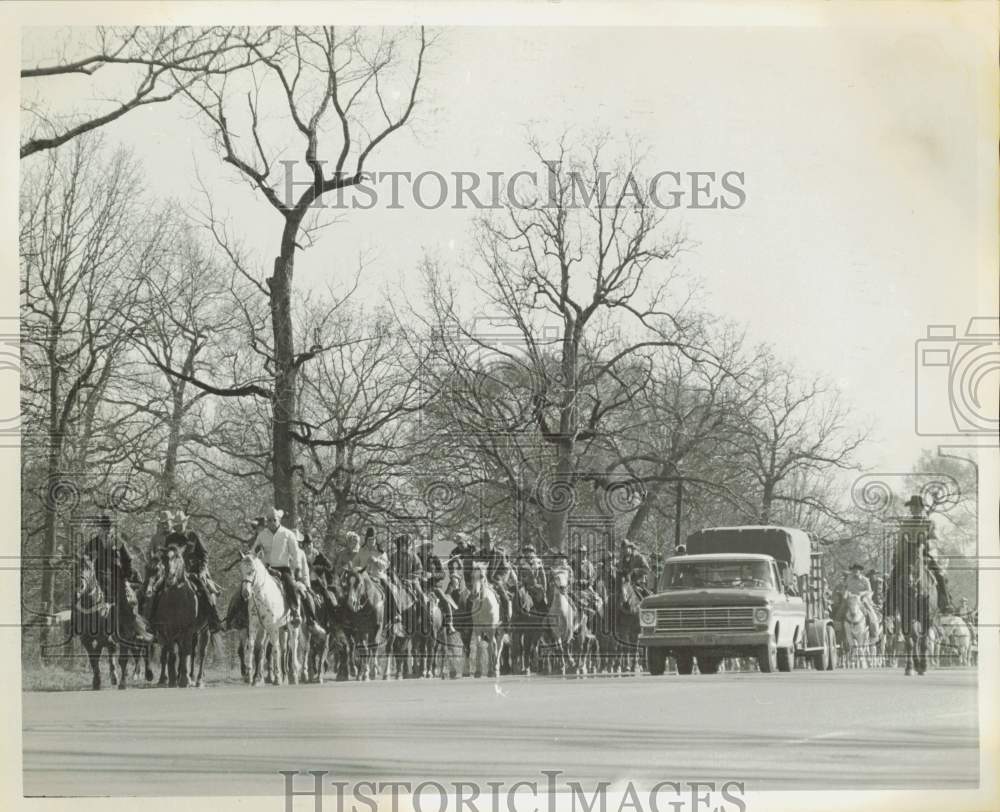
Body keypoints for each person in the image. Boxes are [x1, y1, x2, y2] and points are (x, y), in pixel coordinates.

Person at [85, 514, 154, 644]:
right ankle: (79, 622)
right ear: (99, 528)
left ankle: (134, 629)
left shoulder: (118, 542)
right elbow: (85, 559)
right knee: (82, 594)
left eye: (108, 527)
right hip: (97, 578)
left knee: (127, 602)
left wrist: (125, 575)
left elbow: (127, 559)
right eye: (103, 527)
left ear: (111, 529)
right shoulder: (93, 543)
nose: (105, 530)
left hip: (116, 578)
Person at [254, 508, 302, 625]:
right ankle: (239, 615)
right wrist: (251, 555)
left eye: (274, 520)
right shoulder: (262, 535)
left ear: (279, 520)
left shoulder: (288, 534)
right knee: (248, 585)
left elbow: (295, 553)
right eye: (269, 520)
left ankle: (295, 612)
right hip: (265, 570)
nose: (271, 522)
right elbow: (253, 552)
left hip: (282, 569)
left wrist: (298, 568)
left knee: (290, 585)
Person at [842, 563, 879, 637]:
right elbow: (845, 587)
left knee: (869, 610)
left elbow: (869, 591)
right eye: (853, 570)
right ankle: (839, 630)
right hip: (851, 598)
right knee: (841, 609)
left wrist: (862, 594)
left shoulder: (865, 580)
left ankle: (874, 628)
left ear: (860, 571)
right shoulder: (849, 578)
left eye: (856, 570)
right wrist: (845, 593)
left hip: (862, 599)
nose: (855, 571)